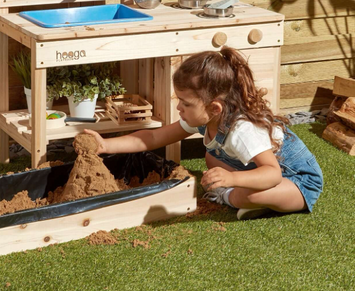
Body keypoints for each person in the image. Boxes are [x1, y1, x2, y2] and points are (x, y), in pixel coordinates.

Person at [85, 46, 323, 220]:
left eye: (185, 103)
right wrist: (106, 145)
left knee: (245, 196)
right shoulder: (208, 118)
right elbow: (154, 137)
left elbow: (272, 174)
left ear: (214, 107)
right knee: (212, 158)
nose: (179, 108)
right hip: (260, 169)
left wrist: (231, 180)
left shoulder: (242, 130)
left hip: (297, 181)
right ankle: (243, 192)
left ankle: (232, 197)